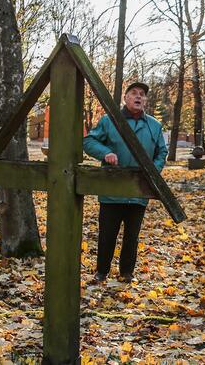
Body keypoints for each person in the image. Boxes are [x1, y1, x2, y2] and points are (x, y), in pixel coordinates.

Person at [83, 81, 168, 283]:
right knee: (107, 235)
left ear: (145, 100)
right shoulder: (109, 121)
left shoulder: (154, 126)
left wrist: (152, 172)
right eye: (134, 93)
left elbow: (161, 152)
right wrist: (106, 153)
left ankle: (126, 273)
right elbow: (88, 142)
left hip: (138, 192)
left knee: (132, 236)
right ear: (125, 98)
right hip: (111, 190)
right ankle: (101, 272)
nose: (138, 97)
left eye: (142, 94)